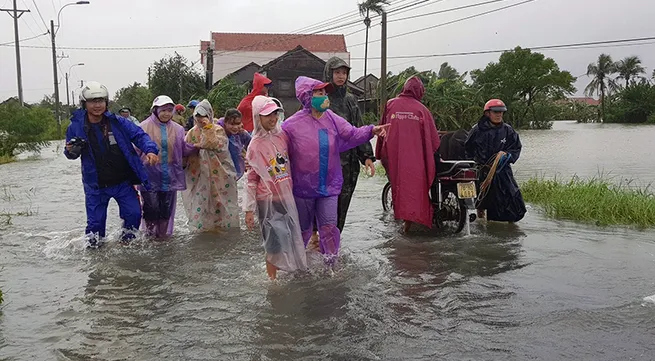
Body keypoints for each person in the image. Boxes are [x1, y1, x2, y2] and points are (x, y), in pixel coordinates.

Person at [281, 76, 388, 267]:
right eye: (319, 93)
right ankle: (294, 266)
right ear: (307, 96)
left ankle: (331, 265)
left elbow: (352, 133)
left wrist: (372, 131)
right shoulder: (291, 125)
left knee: (329, 227)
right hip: (303, 189)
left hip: (329, 186)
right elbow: (279, 150)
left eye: (324, 93)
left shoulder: (331, 118)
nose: (324, 97)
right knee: (303, 230)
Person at [64, 81, 159, 248]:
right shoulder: (75, 127)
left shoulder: (117, 122)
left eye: (101, 101)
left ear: (106, 103)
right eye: (93, 101)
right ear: (84, 103)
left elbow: (139, 135)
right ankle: (96, 260)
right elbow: (70, 153)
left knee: (134, 214)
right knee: (95, 228)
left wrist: (150, 150)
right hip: (96, 185)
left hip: (122, 181)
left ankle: (126, 246)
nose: (97, 105)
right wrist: (71, 151)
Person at [244, 96, 308, 280]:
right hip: (267, 199)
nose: (272, 118)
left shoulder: (282, 136)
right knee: (272, 241)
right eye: (267, 115)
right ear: (258, 117)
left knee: (290, 235)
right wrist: (249, 209)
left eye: (274, 113)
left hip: (286, 196)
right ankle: (272, 280)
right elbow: (251, 178)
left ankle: (291, 271)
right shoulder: (255, 145)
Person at [375, 76, 441, 233]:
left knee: (397, 185)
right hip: (415, 160)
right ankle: (411, 222)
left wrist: (378, 152)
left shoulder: (391, 104)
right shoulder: (422, 110)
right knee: (416, 189)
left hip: (393, 157)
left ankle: (401, 219)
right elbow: (434, 141)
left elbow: (381, 130)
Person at [323, 56, 376, 232]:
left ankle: (335, 241)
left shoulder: (350, 100)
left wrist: (367, 156)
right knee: (324, 204)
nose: (341, 76)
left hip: (349, 163)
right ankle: (319, 240)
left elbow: (359, 128)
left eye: (344, 73)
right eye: (337, 72)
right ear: (329, 73)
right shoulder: (319, 98)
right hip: (325, 162)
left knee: (342, 203)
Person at [139, 95, 198, 238]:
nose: (166, 113)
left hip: (170, 174)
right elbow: (134, 150)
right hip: (149, 174)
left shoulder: (177, 129)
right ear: (155, 110)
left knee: (166, 209)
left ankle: (163, 237)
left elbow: (182, 148)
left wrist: (197, 147)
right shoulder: (143, 127)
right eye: (163, 110)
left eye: (169, 110)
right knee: (151, 207)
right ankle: (150, 236)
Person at [464, 99, 526, 223]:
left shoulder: (508, 130)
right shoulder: (477, 130)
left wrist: (508, 156)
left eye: (501, 112)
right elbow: (467, 148)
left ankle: (510, 226)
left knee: (512, 197)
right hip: (482, 170)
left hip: (502, 170)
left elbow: (516, 147)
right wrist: (472, 164)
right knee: (482, 201)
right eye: (496, 112)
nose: (499, 115)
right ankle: (482, 222)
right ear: (487, 113)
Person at [182, 100, 240, 231]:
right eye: (198, 116)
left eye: (203, 116)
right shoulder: (192, 132)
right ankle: (205, 231)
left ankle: (220, 229)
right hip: (199, 174)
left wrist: (207, 128)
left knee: (220, 202)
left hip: (219, 174)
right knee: (202, 203)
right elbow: (184, 150)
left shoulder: (217, 129)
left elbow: (214, 144)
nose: (200, 119)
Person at [217, 108, 251, 180]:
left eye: (238, 124)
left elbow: (252, 145)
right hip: (220, 169)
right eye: (232, 124)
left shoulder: (241, 133)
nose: (235, 127)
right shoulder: (218, 132)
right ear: (225, 122)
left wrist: (248, 157)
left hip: (237, 169)